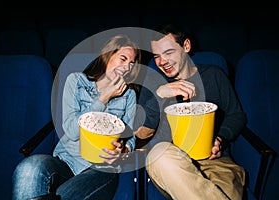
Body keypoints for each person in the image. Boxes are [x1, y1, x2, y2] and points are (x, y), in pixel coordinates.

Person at [12, 34, 141, 200]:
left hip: (101, 168)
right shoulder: (76, 81)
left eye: (131, 63)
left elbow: (129, 138)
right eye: (123, 59)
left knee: (62, 195)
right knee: (29, 167)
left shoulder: (129, 95)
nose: (127, 67)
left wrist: (123, 150)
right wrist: (103, 98)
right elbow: (72, 131)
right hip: (66, 161)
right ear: (108, 55)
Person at [134, 23, 246, 199]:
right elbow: (140, 136)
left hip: (215, 163)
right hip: (172, 165)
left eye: (169, 52)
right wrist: (160, 94)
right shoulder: (153, 84)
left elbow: (236, 115)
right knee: (159, 154)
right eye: (157, 56)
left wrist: (220, 139)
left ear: (186, 46)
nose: (162, 62)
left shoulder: (214, 75)